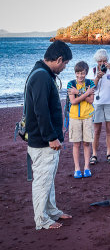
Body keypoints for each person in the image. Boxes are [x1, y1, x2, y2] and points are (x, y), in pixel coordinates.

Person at [25, 40, 73, 230]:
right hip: (43, 141)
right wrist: (51, 137)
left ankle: (51, 211)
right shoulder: (42, 77)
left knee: (48, 179)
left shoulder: (43, 73)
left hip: (46, 139)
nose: (64, 67)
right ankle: (42, 220)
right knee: (42, 181)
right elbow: (40, 111)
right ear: (59, 59)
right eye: (65, 63)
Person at [87, 49, 110, 164]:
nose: (102, 63)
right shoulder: (93, 71)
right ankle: (94, 154)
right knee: (96, 131)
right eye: (100, 61)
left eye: (104, 61)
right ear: (97, 61)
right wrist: (97, 77)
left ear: (107, 61)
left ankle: (109, 153)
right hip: (97, 104)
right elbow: (91, 88)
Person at [66, 61, 96, 178]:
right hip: (74, 117)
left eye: (82, 73)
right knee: (76, 144)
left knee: (87, 143)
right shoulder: (70, 84)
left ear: (86, 73)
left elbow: (91, 100)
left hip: (87, 116)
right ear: (75, 73)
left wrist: (78, 92)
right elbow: (73, 101)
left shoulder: (90, 83)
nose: (80, 76)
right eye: (78, 73)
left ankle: (87, 167)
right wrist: (85, 93)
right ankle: (77, 168)